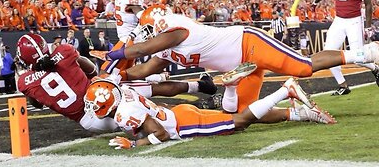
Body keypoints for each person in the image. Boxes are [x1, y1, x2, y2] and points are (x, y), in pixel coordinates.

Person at [103, 4, 379, 115]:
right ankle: (301, 114)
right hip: (240, 69)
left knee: (302, 66)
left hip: (249, 44)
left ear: (159, 25)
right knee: (239, 115)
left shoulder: (176, 30)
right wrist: (117, 77)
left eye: (150, 30)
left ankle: (366, 53)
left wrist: (114, 54)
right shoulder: (163, 46)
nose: (147, 36)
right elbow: (144, 68)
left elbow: (138, 52)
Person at [15, 34, 217, 132]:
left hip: (91, 123)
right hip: (102, 96)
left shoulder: (24, 82)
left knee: (150, 114)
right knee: (152, 94)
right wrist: (95, 74)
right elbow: (85, 63)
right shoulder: (64, 51)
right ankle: (201, 88)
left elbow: (38, 103)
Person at [84, 78, 335, 150]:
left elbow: (159, 134)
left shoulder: (123, 113)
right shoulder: (122, 92)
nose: (93, 108)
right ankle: (301, 114)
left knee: (239, 122)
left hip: (183, 124)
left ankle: (285, 90)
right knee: (235, 121)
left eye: (94, 104)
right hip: (179, 113)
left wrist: (135, 143)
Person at [312, 0, 378, 95]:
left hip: (354, 20)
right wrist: (316, 2)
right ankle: (343, 85)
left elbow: (368, 4)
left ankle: (375, 69)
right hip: (339, 20)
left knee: (358, 58)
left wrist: (368, 27)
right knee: (328, 54)